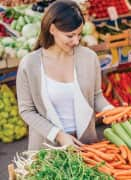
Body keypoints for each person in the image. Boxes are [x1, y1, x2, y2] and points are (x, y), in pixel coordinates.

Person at [16, 0, 113, 150]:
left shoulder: (89, 57)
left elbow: (96, 95)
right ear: (52, 29)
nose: (76, 41)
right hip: (47, 148)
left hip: (86, 145)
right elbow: (27, 110)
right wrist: (59, 135)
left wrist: (111, 111)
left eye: (79, 34)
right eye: (70, 36)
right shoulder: (30, 64)